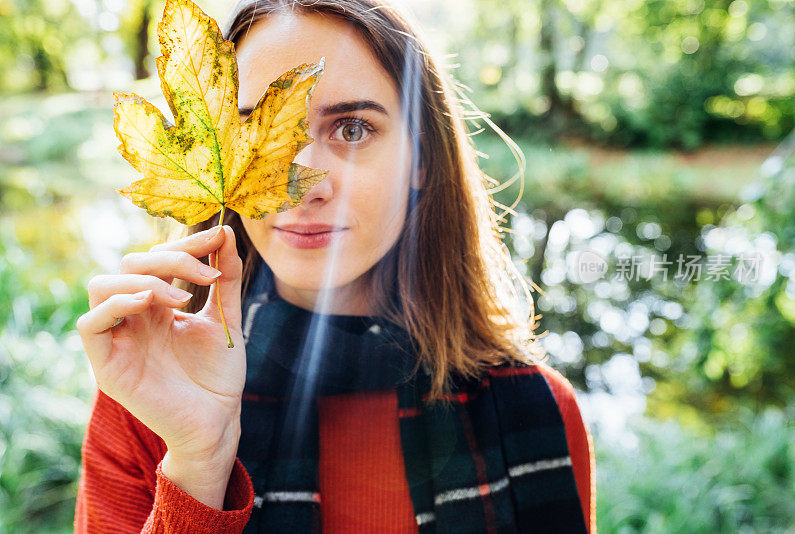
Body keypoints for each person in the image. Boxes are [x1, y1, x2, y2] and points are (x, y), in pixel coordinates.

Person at [74, 0, 596, 532]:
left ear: (420, 158)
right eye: (262, 134)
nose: (305, 185)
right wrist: (199, 464)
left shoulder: (535, 409)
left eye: (351, 129)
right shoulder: (150, 401)